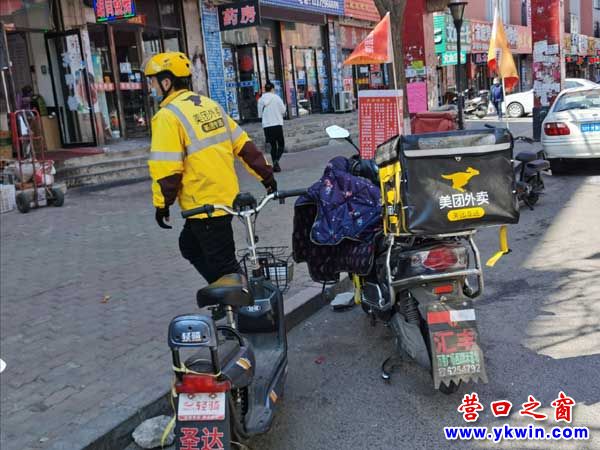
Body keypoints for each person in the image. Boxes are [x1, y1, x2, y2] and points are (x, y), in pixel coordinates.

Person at [144, 52, 277, 284]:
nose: (151, 88)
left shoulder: (167, 116)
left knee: (224, 264)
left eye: (152, 82)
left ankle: (240, 300)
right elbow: (244, 146)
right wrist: (267, 176)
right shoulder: (209, 105)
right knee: (189, 245)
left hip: (204, 202)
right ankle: (223, 292)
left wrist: (162, 204)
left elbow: (166, 169)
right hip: (224, 197)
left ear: (166, 82)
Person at [257, 82, 286, 172]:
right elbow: (283, 110)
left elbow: (260, 115)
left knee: (273, 146)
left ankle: (275, 165)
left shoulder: (260, 100)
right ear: (272, 89)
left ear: (265, 89)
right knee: (281, 145)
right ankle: (276, 160)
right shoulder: (277, 98)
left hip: (267, 126)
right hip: (277, 124)